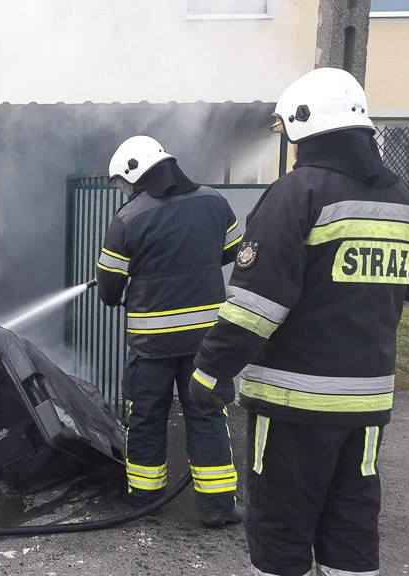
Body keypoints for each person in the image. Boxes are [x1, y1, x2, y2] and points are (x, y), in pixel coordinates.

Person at [188, 68, 409, 576]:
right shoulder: (408, 202)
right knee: (351, 529)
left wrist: (209, 371)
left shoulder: (296, 194)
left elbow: (255, 305)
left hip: (292, 408)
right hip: (367, 406)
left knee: (280, 531)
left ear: (304, 126)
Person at [96, 135, 245, 527]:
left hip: (151, 347)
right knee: (207, 416)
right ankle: (217, 507)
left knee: (146, 418)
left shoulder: (129, 218)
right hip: (206, 345)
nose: (126, 191)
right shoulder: (215, 201)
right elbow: (232, 250)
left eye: (124, 183)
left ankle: (145, 499)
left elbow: (109, 283)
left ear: (136, 174)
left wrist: (119, 289)